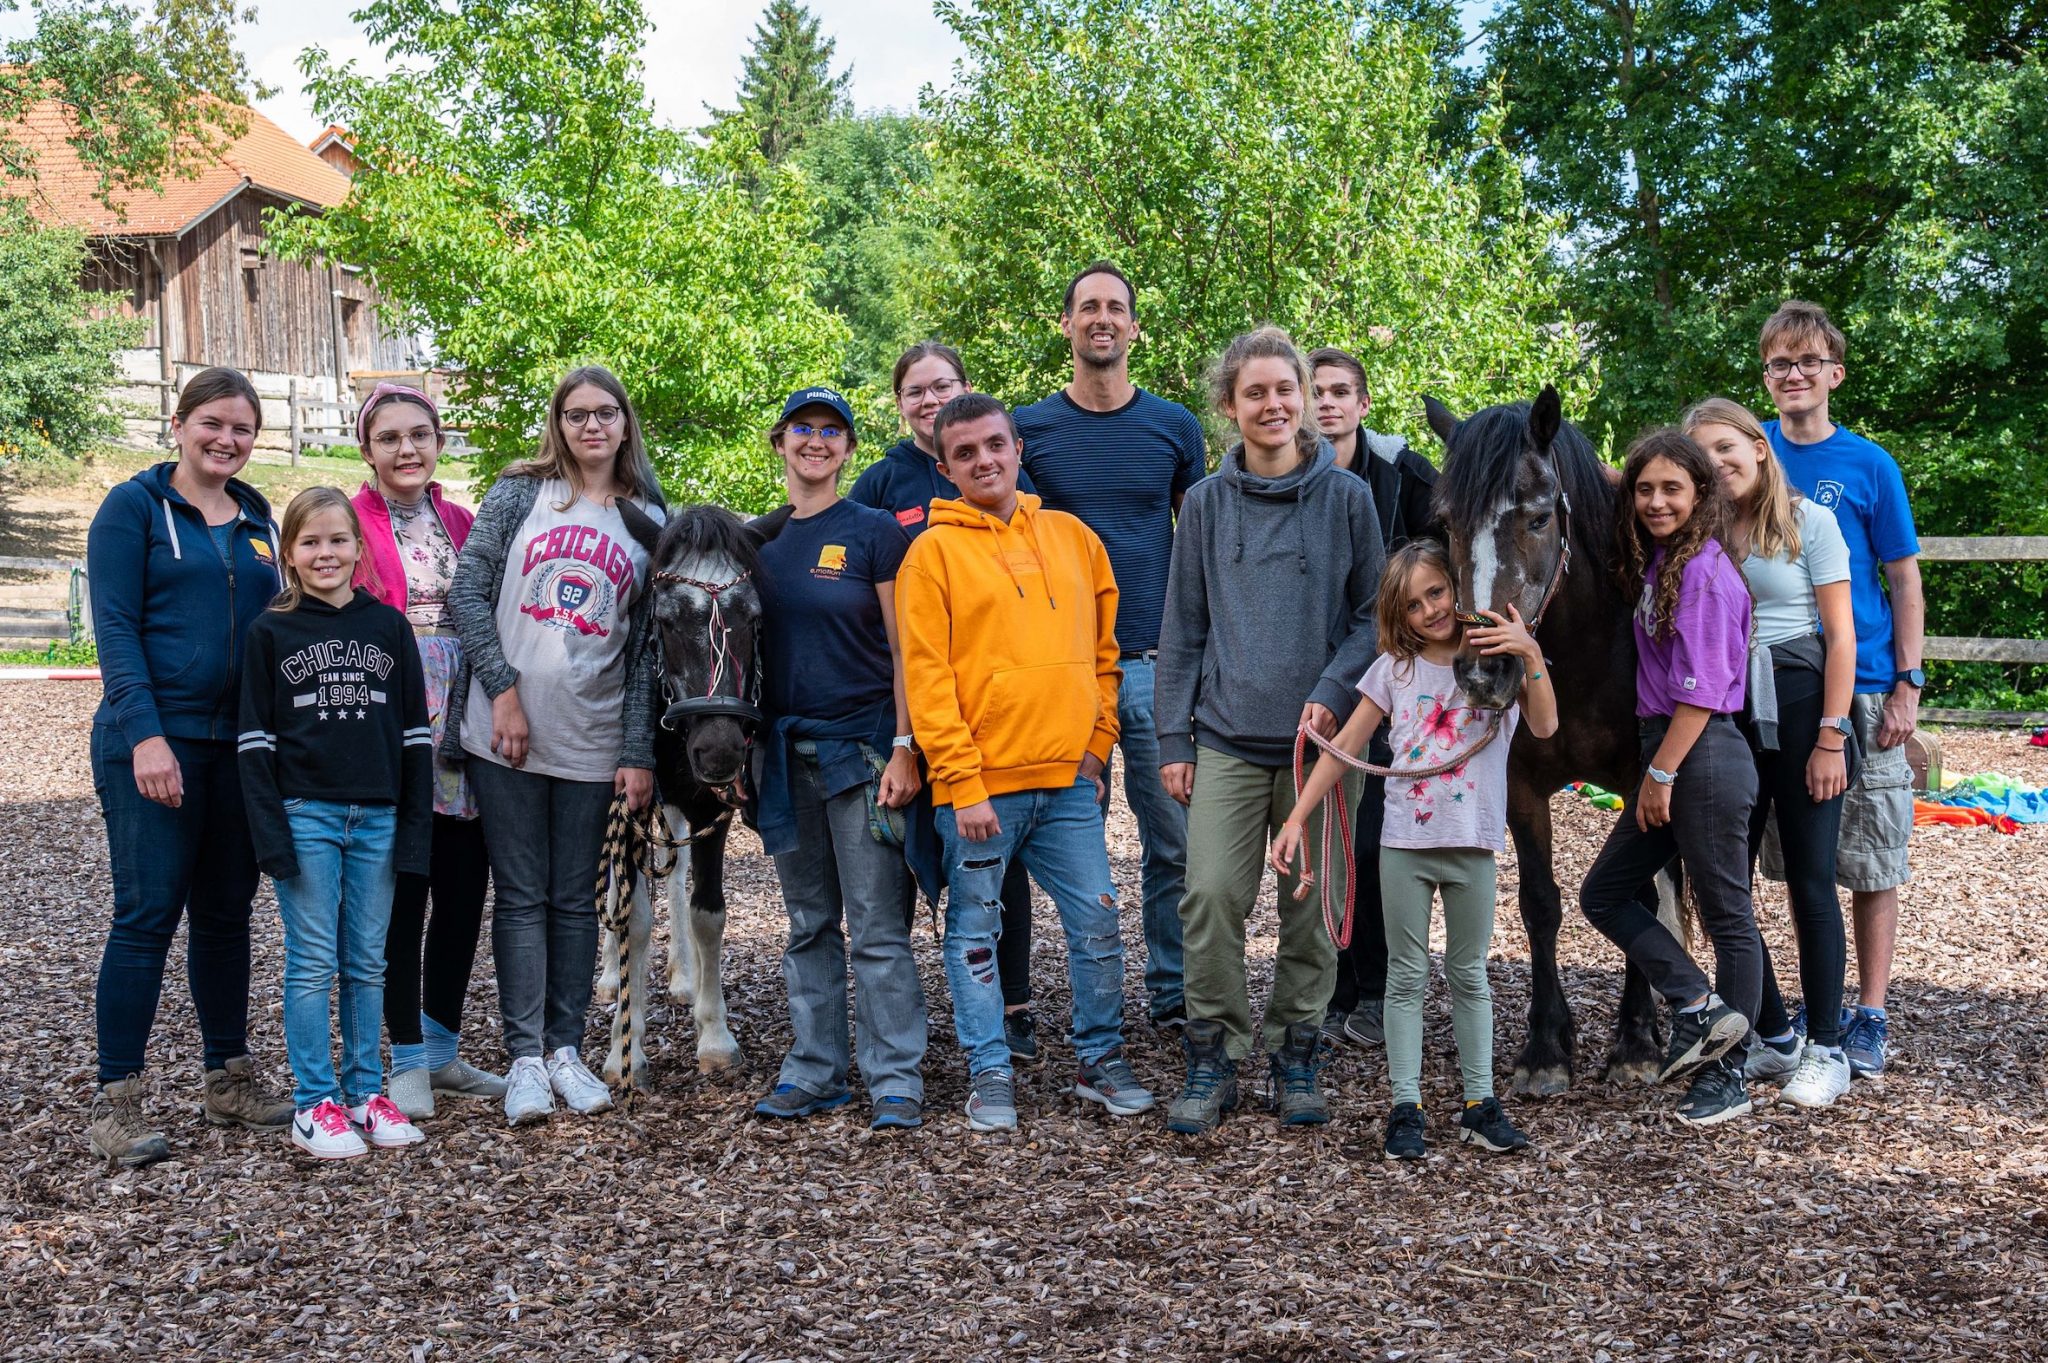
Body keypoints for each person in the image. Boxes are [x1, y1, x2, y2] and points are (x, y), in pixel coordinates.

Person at [897, 391, 1152, 1133]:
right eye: (966, 452)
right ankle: (990, 1073)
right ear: (945, 467)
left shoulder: (1074, 538)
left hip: (1068, 784)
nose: (984, 460)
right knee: (975, 934)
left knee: (1100, 923)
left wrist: (1098, 746)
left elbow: (1107, 655)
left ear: (1017, 449)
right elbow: (928, 678)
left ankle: (1098, 1059)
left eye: (995, 446)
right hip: (979, 794)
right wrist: (961, 782)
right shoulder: (932, 554)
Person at [1154, 326, 1385, 1135]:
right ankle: (1212, 1048)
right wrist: (1172, 740)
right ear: (1229, 406)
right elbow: (1182, 628)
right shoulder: (1209, 507)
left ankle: (1297, 1047)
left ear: (1304, 401)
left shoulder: (1349, 499)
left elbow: (1373, 619)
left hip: (1322, 744)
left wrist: (1331, 689)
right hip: (1224, 734)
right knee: (1210, 891)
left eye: (1284, 389)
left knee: (1314, 900)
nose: (1273, 404)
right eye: (1254, 392)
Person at [1273, 541, 1554, 1158]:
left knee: (1468, 975)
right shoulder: (1393, 670)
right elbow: (1345, 743)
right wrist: (1297, 817)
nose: (1429, 609)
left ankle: (1480, 1103)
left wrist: (1530, 653)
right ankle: (1407, 1104)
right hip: (1406, 843)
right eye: (1413, 603)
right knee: (1405, 976)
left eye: (1437, 592)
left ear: (1455, 589)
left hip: (1473, 843)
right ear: (1397, 615)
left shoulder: (1495, 663)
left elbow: (1544, 726)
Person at [445, 365, 667, 1127]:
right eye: (576, 415)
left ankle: (567, 1049)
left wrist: (637, 749)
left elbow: (647, 649)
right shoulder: (520, 493)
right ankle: (524, 1060)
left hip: (593, 734)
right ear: (558, 423)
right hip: (504, 730)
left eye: (606, 413)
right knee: (522, 894)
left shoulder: (648, 515)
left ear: (625, 421)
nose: (592, 427)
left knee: (576, 898)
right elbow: (467, 591)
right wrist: (502, 689)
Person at [84, 365, 294, 1167]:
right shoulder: (132, 509)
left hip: (236, 747)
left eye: (241, 428)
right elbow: (116, 629)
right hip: (154, 740)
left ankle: (228, 1076)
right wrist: (145, 735)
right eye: (212, 422)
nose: (226, 439)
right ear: (179, 424)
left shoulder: (257, 519)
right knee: (145, 915)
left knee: (226, 913)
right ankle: (116, 1097)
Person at [1014, 263, 1206, 1031]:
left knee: (1178, 846)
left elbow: (1198, 547)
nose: (1102, 318)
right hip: (1067, 672)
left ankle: (1172, 993)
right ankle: (1093, 1010)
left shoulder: (1174, 426)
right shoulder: (1030, 429)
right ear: (1065, 324)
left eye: (1116, 308)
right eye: (1087, 307)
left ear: (1134, 327)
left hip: (1160, 666)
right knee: (1076, 855)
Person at [849, 342, 1046, 1069]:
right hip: (903, 693)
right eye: (914, 392)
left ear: (965, 390)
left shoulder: (995, 464)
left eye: (941, 387)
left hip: (993, 702)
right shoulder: (882, 481)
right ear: (898, 404)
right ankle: (909, 1012)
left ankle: (1014, 1004)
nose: (928, 401)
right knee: (907, 850)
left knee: (1001, 854)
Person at [751, 385, 929, 1130]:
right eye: (803, 428)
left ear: (849, 447)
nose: (816, 440)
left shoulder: (875, 531)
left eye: (832, 430)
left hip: (863, 753)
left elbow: (907, 649)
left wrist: (904, 746)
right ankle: (815, 1068)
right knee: (808, 921)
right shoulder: (757, 540)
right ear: (780, 442)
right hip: (786, 756)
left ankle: (895, 1077)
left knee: (879, 927)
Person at [239, 487, 433, 1158]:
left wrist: (414, 830)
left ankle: (363, 1091)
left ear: (359, 547)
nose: (326, 552)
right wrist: (271, 837)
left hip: (377, 817)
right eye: (311, 541)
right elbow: (255, 745)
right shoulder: (271, 632)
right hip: (305, 816)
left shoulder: (388, 627)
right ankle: (312, 1101)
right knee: (313, 960)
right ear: (288, 552)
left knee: (367, 962)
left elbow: (415, 738)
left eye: (338, 540)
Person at [1578, 428, 1763, 1127]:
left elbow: (1702, 691)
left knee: (1726, 915)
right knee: (1605, 892)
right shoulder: (1663, 561)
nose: (1656, 501)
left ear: (1700, 494)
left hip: (1700, 753)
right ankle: (1697, 1004)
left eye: (1671, 489)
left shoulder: (1703, 573)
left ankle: (1728, 1074)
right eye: (1644, 489)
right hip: (1679, 751)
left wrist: (1659, 772)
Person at [1757, 300, 1922, 1078]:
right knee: (1805, 858)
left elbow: (1903, 579)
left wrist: (1908, 684)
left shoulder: (1869, 465)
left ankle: (1872, 1011)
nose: (1793, 374)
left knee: (1873, 853)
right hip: (1783, 678)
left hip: (1863, 682)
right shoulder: (1749, 454)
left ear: (1834, 374)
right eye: (1779, 364)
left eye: (1807, 362)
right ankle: (1815, 999)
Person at [1687, 397, 1859, 1109]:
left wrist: (1830, 734)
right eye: (1704, 454)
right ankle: (1775, 1032)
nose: (1719, 463)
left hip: (1797, 696)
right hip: (1726, 708)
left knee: (1810, 880)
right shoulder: (1699, 530)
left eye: (1729, 447)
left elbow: (1841, 636)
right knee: (1725, 879)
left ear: (1759, 446)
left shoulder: (1808, 522)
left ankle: (1827, 1046)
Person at [349, 384, 505, 1121]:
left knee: (464, 890)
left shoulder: (464, 521)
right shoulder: (347, 522)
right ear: (367, 448)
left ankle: (443, 1051)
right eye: (390, 438)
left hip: (466, 722)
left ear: (438, 441)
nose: (407, 450)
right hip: (393, 720)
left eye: (420, 435)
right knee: (403, 894)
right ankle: (405, 1055)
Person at [1307, 344, 1442, 1048]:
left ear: (1362, 404)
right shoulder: (1285, 472)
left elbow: (1448, 554)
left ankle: (1377, 987)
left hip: (1392, 674)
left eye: (1339, 392)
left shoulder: (1403, 472)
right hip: (1310, 672)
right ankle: (1328, 988)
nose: (1325, 403)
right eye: (1315, 391)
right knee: (1319, 839)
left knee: (1371, 837)